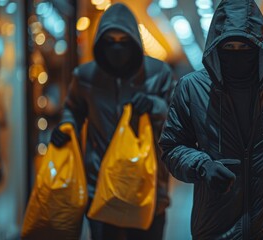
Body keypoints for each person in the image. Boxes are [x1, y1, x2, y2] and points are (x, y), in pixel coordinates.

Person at [158, 0, 263, 239]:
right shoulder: (192, 88)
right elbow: (172, 146)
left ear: (259, 45)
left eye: (245, 45)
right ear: (216, 46)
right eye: (229, 46)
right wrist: (202, 165)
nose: (237, 53)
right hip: (215, 226)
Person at [50, 3, 174, 240]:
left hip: (147, 188)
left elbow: (177, 120)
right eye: (110, 41)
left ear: (134, 41)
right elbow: (73, 109)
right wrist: (67, 127)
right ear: (100, 43)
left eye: (124, 41)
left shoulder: (159, 73)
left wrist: (155, 106)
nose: (117, 48)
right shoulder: (85, 76)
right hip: (100, 189)